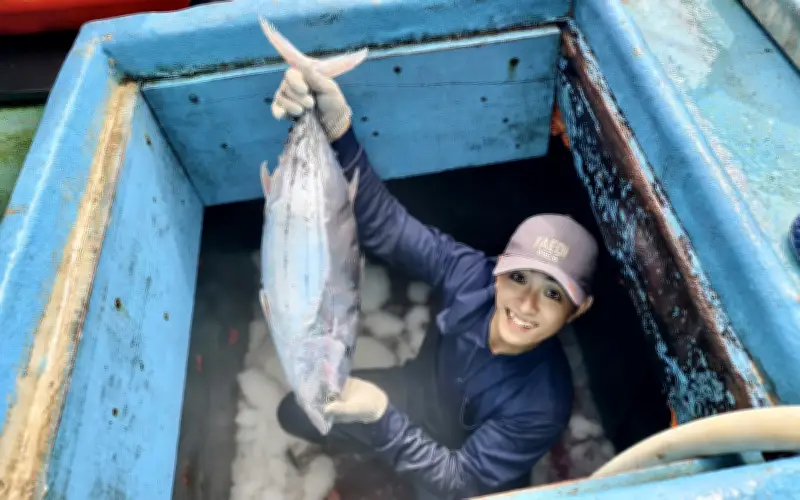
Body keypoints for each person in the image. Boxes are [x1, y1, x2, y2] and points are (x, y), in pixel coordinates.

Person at [270, 66, 599, 500]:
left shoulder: (542, 404)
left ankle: (392, 459)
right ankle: (386, 455)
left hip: (467, 467)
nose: (527, 303)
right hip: (416, 395)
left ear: (579, 309)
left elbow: (459, 479)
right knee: (297, 411)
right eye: (519, 277)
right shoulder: (469, 274)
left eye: (553, 293)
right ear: (498, 268)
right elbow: (389, 227)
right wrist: (337, 128)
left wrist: (381, 418)